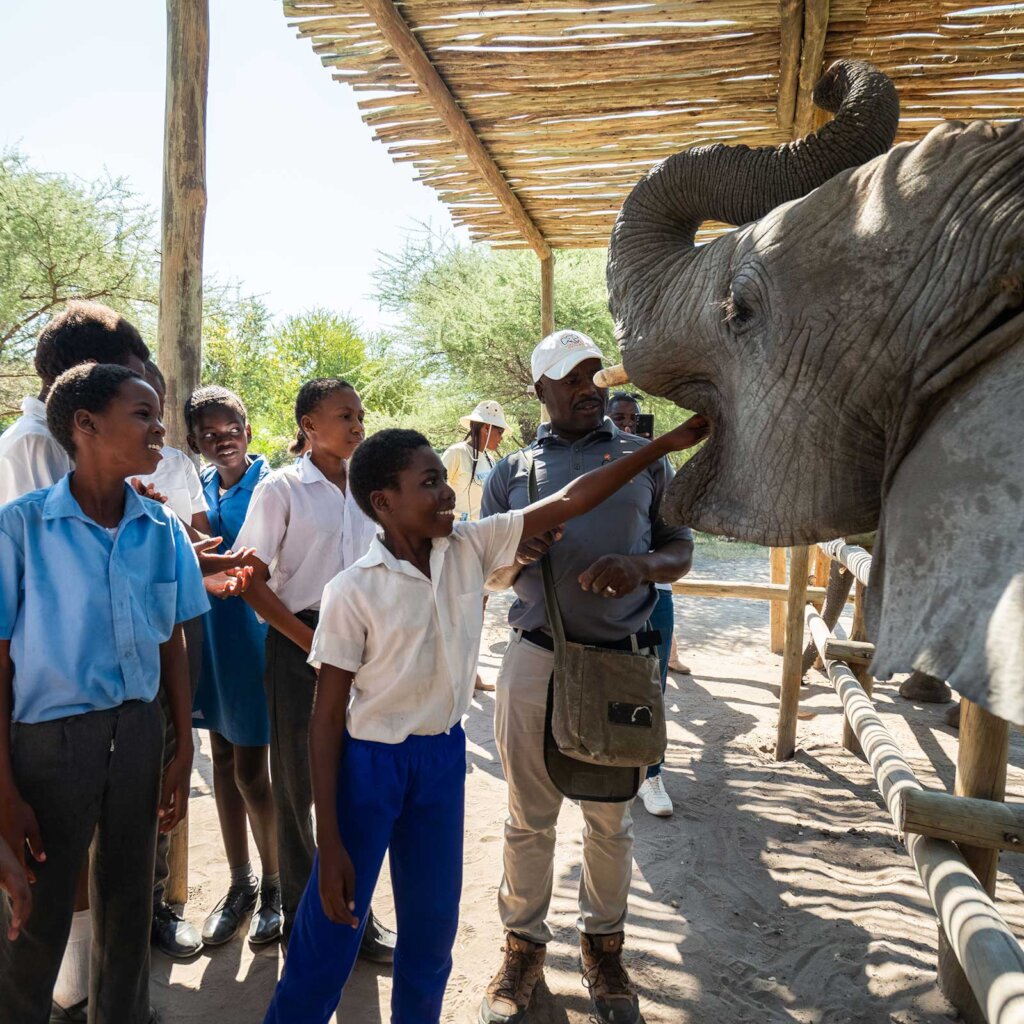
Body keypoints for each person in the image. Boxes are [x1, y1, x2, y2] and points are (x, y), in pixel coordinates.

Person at [264, 415, 707, 1023]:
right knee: (331, 929)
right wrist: (331, 842)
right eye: (428, 483)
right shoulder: (353, 591)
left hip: (440, 764)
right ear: (383, 502)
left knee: (432, 931)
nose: (447, 492)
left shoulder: (469, 548)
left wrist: (658, 448)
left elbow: (572, 498)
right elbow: (325, 720)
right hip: (370, 768)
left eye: (445, 479)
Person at [479, 330, 698, 1024]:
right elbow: (486, 575)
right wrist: (518, 556)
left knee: (611, 820)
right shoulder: (511, 472)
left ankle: (603, 947)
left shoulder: (642, 459)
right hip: (535, 657)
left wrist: (641, 569)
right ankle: (523, 949)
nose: (586, 387)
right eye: (570, 377)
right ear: (539, 389)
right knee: (528, 817)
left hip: (621, 663)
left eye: (594, 374)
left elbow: (679, 547)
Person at [0, 362, 208, 1024]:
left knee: (127, 907)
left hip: (142, 734)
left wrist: (180, 750)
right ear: (85, 426)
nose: (160, 426)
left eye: (159, 414)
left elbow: (171, 642)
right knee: (37, 912)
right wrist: (4, 791)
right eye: (142, 413)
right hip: (50, 747)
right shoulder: (21, 528)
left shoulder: (162, 528)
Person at [0, 300, 149, 1022]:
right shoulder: (33, 449)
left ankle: (85, 991)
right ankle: (66, 990)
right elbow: (57, 574)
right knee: (47, 881)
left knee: (112, 873)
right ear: (81, 384)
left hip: (110, 703)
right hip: (55, 703)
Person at [234, 379, 395, 958]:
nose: (357, 425)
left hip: (369, 650)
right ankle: (310, 921)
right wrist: (312, 643)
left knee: (358, 781)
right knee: (300, 785)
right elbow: (248, 578)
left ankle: (358, 916)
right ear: (308, 425)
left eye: (359, 414)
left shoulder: (371, 485)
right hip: (299, 646)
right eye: (343, 415)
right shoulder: (282, 488)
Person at [185, 385, 282, 947]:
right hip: (211, 642)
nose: (222, 442)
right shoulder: (194, 490)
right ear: (196, 442)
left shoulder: (272, 486)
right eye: (209, 435)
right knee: (222, 759)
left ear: (248, 429)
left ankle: (273, 887)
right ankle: (240, 882)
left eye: (231, 430)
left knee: (252, 770)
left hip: (256, 640)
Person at [607, 392, 681, 818]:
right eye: (618, 417)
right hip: (604, 594)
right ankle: (613, 764)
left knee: (652, 681)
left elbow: (672, 531)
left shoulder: (657, 462)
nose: (626, 424)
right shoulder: (592, 462)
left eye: (632, 418)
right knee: (604, 677)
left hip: (654, 592)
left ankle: (651, 773)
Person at [0, 301, 148, 504]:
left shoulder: (72, 439)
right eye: (127, 379)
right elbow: (51, 532)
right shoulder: (36, 441)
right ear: (87, 371)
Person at [441, 400, 508, 694]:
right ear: (486, 428)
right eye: (499, 431)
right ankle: (446, 674)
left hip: (481, 545)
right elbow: (434, 492)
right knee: (451, 611)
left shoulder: (492, 462)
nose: (502, 437)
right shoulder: (456, 454)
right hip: (451, 543)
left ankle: (470, 673)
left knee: (477, 612)